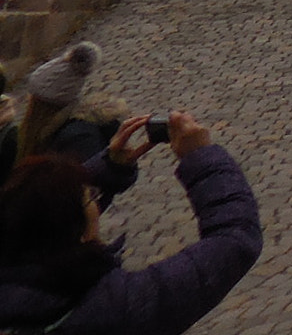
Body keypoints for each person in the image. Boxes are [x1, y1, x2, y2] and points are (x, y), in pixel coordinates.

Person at [0, 109, 263, 335]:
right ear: (78, 232)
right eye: (90, 199)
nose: (95, 203)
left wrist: (108, 168)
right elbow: (235, 239)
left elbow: (39, 210)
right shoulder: (114, 308)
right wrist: (201, 156)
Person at [0, 44, 123, 177]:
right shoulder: (53, 133)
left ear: (41, 105)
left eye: (33, 97)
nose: (28, 100)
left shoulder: (75, 139)